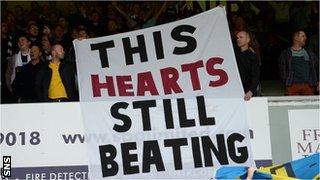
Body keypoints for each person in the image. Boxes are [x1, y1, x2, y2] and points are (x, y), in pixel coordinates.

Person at [278, 30, 319, 95]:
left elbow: (317, 67)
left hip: (307, 85)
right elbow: (282, 69)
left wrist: (318, 81)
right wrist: (286, 81)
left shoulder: (309, 53)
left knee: (309, 105)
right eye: (303, 36)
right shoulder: (286, 54)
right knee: (290, 104)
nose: (305, 38)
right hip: (292, 86)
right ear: (296, 38)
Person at [235, 30, 260, 101]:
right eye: (237, 38)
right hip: (236, 90)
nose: (238, 39)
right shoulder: (233, 54)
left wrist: (251, 91)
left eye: (241, 37)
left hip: (248, 92)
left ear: (248, 40)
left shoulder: (253, 56)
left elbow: (256, 75)